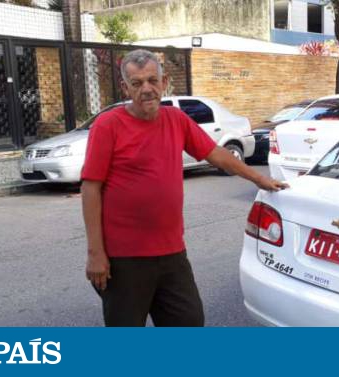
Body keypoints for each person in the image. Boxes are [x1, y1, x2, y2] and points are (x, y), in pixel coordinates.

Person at [81, 49, 288, 327]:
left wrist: (259, 178)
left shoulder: (176, 120)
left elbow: (216, 154)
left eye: (152, 80)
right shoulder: (108, 125)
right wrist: (96, 253)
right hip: (124, 259)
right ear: (125, 87)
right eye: (137, 82)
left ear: (164, 82)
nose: (147, 89)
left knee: (188, 321)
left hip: (171, 254)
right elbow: (91, 188)